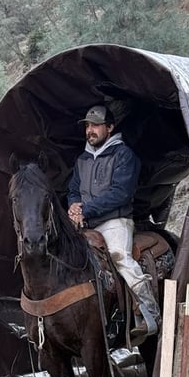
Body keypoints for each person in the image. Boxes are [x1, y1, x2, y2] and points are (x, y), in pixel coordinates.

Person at [67, 104, 161, 342]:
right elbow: (73, 190)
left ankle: (149, 313)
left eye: (96, 125)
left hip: (115, 221)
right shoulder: (82, 159)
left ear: (110, 127)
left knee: (121, 256)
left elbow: (121, 193)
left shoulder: (124, 155)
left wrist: (85, 209)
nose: (91, 130)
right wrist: (74, 206)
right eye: (88, 125)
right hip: (86, 224)